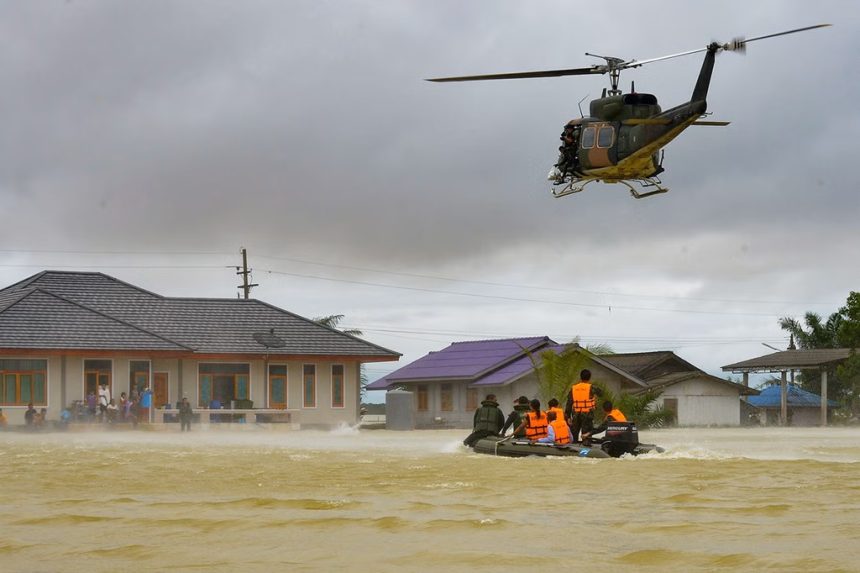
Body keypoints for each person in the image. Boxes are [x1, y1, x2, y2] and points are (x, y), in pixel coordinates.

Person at [565, 369, 603, 444]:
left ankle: (573, 448)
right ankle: (586, 448)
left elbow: (569, 403)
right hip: (587, 415)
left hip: (575, 415)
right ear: (589, 377)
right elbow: (601, 393)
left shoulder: (574, 388)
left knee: (574, 435)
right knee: (586, 436)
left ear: (580, 377)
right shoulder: (591, 387)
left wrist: (568, 417)